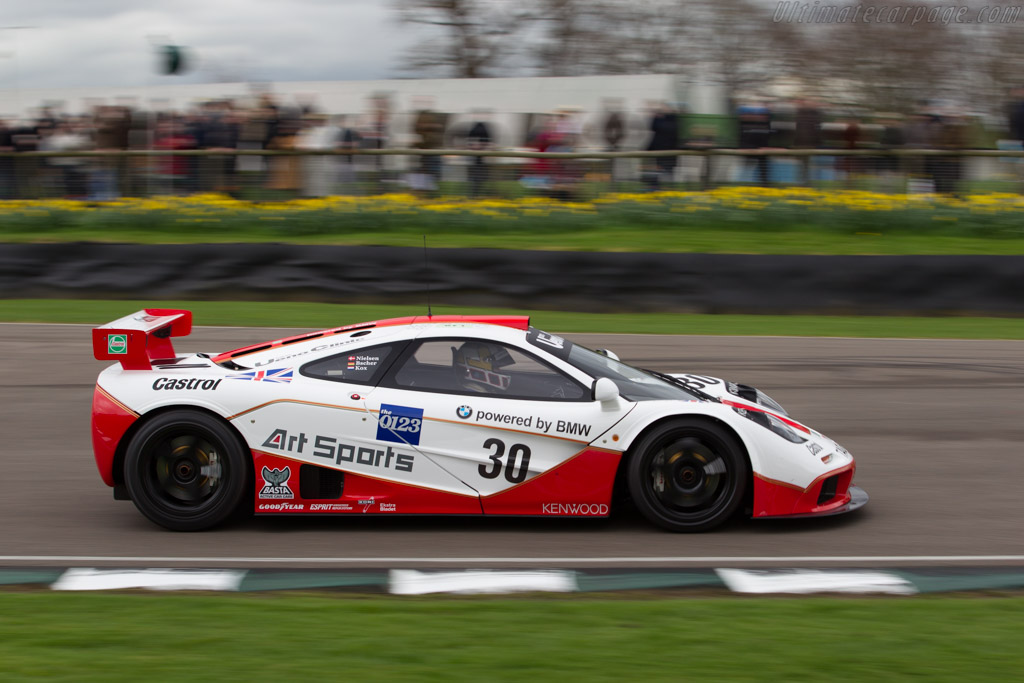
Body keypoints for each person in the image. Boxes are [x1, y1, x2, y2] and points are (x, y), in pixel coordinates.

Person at [646, 101, 680, 190]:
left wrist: (659, 118)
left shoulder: (673, 119)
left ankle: (669, 188)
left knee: (669, 170)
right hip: (659, 148)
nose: (663, 109)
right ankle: (655, 186)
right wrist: (655, 117)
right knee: (658, 168)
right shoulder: (660, 118)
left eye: (665, 107)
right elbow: (653, 127)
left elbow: (668, 129)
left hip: (670, 149)